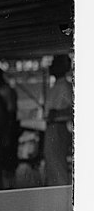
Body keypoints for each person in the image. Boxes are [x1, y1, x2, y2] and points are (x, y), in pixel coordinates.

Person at [43, 54, 72, 186]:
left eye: (55, 64)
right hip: (52, 127)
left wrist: (57, 113)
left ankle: (62, 192)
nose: (51, 67)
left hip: (58, 127)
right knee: (51, 162)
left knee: (57, 163)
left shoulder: (65, 86)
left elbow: (74, 109)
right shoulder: (55, 86)